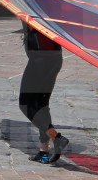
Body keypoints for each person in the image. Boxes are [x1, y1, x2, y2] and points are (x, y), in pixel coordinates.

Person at [19, 23, 69, 165]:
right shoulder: (48, 3)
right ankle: (44, 152)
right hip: (55, 57)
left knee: (26, 104)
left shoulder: (30, 4)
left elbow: (32, 23)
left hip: (40, 59)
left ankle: (57, 137)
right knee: (41, 105)